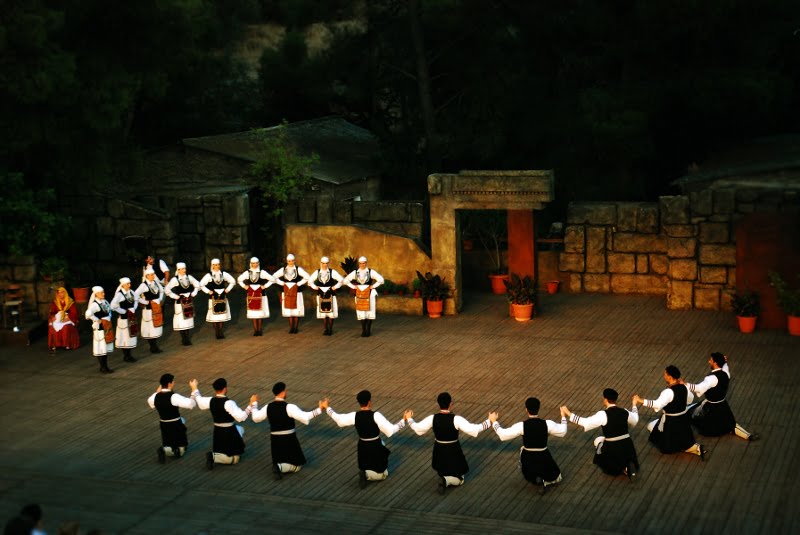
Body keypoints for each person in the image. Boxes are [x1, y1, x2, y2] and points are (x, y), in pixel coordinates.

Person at [408, 392, 491, 494]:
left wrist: (409, 419)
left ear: (438, 404)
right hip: (453, 452)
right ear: (450, 404)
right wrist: (489, 421)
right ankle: (446, 480)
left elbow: (418, 429)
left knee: (443, 470)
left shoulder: (432, 418)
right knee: (460, 479)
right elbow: (473, 429)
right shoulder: (456, 419)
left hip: (439, 453)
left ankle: (444, 477)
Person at [326, 390, 413, 488]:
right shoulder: (376, 416)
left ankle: (365, 472)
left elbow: (339, 420)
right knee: (382, 475)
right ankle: (368, 475)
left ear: (359, 402)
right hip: (375, 446)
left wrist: (327, 407)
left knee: (367, 464)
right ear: (369, 402)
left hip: (362, 446)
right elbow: (390, 431)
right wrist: (404, 420)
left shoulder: (355, 415)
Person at [489, 397, 567, 494]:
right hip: (543, 455)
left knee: (529, 472)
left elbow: (503, 435)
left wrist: (494, 421)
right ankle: (543, 480)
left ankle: (536, 478)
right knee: (554, 475)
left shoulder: (522, 425)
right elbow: (563, 431)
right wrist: (563, 417)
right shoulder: (547, 424)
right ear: (539, 408)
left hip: (528, 457)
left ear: (526, 409)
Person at [251, 382, 328, 479]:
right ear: (282, 392)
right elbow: (305, 416)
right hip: (289, 440)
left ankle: (279, 465)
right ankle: (280, 467)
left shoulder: (268, 407)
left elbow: (255, 417)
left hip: (275, 442)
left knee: (280, 459)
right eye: (285, 390)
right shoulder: (289, 407)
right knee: (297, 466)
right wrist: (320, 409)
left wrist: (254, 403)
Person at [561, 388, 640, 480]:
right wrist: (634, 405)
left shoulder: (603, 414)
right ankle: (627, 466)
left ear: (606, 400)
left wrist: (568, 413)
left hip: (613, 446)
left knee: (598, 441)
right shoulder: (625, 412)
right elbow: (635, 419)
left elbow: (585, 423)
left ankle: (621, 467)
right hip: (628, 445)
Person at [633, 365, 706, 460]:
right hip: (684, 420)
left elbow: (657, 404)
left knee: (651, 426)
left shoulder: (668, 392)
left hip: (671, 422)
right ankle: (690, 446)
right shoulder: (684, 387)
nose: (664, 376)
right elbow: (690, 399)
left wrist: (640, 400)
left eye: (665, 374)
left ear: (670, 377)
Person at [686, 352, 759, 441]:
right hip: (723, 405)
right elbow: (725, 366)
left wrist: (685, 384)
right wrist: (724, 361)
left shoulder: (711, 379)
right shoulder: (726, 373)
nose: (709, 362)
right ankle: (748, 435)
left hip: (711, 408)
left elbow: (698, 388)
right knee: (731, 424)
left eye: (711, 360)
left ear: (715, 363)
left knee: (692, 414)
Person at [195, 377, 254, 468]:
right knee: (234, 459)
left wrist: (194, 388)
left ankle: (217, 455)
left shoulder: (211, 400)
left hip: (217, 431)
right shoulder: (228, 403)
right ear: (225, 389)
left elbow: (199, 400)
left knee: (240, 429)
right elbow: (242, 417)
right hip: (228, 432)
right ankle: (213, 457)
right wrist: (251, 404)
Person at [147, 374, 199, 463]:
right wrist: (194, 389)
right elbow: (191, 404)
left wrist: (157, 392)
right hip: (175, 423)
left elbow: (150, 402)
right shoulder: (173, 396)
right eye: (173, 381)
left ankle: (165, 449)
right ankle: (176, 451)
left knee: (167, 440)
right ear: (170, 383)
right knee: (182, 448)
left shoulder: (155, 396)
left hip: (163, 423)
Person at [342, 256, 384, 337]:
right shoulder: (355, 273)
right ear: (359, 263)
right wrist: (354, 287)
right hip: (359, 294)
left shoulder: (371, 272)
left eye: (364, 263)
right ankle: (363, 330)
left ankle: (368, 330)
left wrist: (373, 286)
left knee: (370, 312)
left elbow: (381, 280)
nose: (362, 265)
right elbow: (345, 281)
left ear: (366, 263)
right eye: (361, 263)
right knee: (361, 312)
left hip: (369, 293)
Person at [237, 256, 275, 336]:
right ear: (251, 264)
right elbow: (239, 279)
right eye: (253, 263)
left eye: (256, 263)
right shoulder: (247, 272)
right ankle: (255, 330)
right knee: (253, 313)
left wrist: (265, 286)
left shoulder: (262, 272)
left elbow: (272, 279)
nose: (255, 265)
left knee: (259, 313)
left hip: (261, 294)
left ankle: (259, 329)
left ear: (258, 263)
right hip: (251, 294)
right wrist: (244, 286)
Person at [272, 254, 310, 334]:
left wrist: (298, 284)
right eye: (289, 261)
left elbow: (307, 276)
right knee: (289, 310)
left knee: (296, 309)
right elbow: (274, 277)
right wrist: (282, 283)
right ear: (287, 261)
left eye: (292, 261)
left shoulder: (298, 269)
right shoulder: (283, 270)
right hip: (287, 291)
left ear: (294, 261)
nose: (291, 262)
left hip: (296, 291)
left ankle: (295, 327)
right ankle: (291, 327)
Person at [164, 262, 200, 346]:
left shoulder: (189, 277)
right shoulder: (175, 279)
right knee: (181, 320)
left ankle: (187, 338)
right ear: (178, 270)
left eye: (185, 268)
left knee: (188, 320)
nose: (184, 270)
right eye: (182, 269)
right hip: (180, 303)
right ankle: (184, 338)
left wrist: (194, 292)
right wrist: (175, 296)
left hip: (188, 301)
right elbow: (167, 289)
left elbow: (197, 284)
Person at [199, 258, 236, 339]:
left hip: (222, 295)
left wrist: (227, 290)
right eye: (215, 265)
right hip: (213, 296)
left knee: (222, 314)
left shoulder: (223, 274)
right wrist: (209, 292)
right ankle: (217, 332)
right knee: (214, 315)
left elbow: (233, 281)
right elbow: (201, 284)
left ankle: (221, 331)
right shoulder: (209, 275)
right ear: (212, 265)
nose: (217, 266)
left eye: (218, 264)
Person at [307, 256, 344, 335]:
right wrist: (315, 287)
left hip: (330, 293)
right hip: (321, 293)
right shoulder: (317, 272)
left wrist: (335, 287)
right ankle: (325, 329)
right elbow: (309, 281)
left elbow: (341, 280)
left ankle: (330, 329)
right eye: (323, 263)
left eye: (326, 263)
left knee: (331, 312)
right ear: (321, 263)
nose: (325, 265)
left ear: (328, 263)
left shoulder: (332, 272)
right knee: (323, 312)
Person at [85, 286, 115, 373]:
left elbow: (109, 311)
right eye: (101, 292)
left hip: (107, 327)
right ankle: (103, 367)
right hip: (100, 329)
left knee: (105, 348)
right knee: (101, 348)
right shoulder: (95, 304)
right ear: (96, 294)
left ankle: (105, 366)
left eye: (103, 292)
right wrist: (97, 320)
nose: (103, 294)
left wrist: (108, 319)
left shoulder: (105, 302)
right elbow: (88, 314)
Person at [135, 267, 165, 354]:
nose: (153, 276)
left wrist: (159, 299)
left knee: (156, 327)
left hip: (156, 308)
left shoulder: (155, 282)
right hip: (148, 310)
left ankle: (154, 346)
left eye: (153, 274)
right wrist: (144, 302)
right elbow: (135, 295)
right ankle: (153, 347)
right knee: (150, 328)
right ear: (147, 276)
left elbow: (162, 290)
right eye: (151, 275)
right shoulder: (143, 285)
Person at [48, 286, 80, 353]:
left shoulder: (70, 301)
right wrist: (53, 317)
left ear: (65, 293)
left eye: (61, 293)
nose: (60, 294)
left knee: (66, 327)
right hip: (58, 318)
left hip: (67, 318)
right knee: (52, 326)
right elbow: (52, 312)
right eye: (59, 293)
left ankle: (67, 344)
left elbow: (74, 313)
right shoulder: (55, 302)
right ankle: (55, 344)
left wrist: (68, 318)